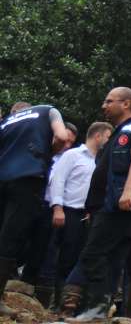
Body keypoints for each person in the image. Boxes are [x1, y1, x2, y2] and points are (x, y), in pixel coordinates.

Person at [70, 87, 131, 322]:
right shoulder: (119, 133)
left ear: (126, 103)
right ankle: (106, 311)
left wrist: (128, 190)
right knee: (115, 259)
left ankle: (100, 309)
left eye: (109, 101)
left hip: (122, 205)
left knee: (93, 254)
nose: (104, 105)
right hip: (110, 206)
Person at [0, 101, 73, 316]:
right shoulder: (48, 110)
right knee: (9, 240)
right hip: (28, 178)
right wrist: (49, 153)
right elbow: (61, 136)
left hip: (3, 178)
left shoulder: (7, 121)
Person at [41, 122, 111, 311]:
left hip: (92, 215)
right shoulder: (72, 155)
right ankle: (59, 304)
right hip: (70, 212)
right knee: (66, 259)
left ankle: (77, 305)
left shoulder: (103, 160)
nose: (109, 141)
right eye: (108, 136)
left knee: (85, 259)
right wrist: (58, 208)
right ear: (98, 136)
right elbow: (58, 180)